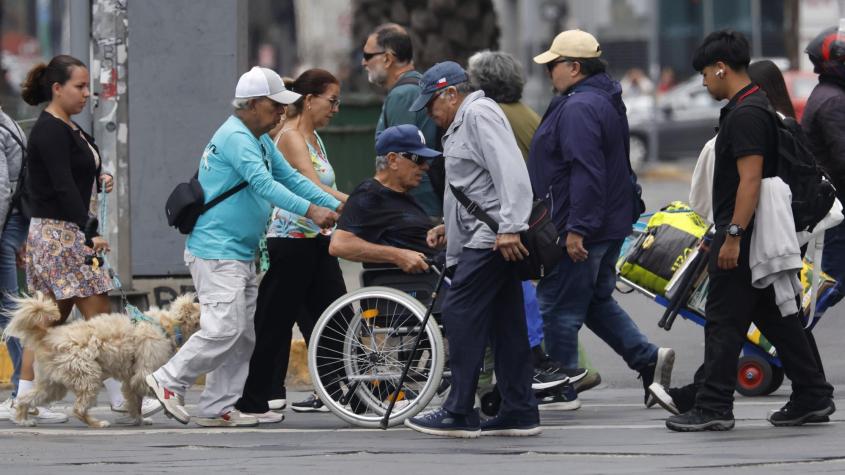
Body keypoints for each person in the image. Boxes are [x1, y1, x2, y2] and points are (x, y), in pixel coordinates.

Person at [145, 66, 341, 427]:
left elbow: (291, 178)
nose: (282, 112)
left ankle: (219, 406)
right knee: (224, 329)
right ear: (253, 104)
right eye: (275, 105)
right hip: (217, 251)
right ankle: (168, 380)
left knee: (242, 335)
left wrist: (334, 206)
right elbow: (265, 185)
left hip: (239, 251)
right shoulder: (236, 137)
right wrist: (313, 210)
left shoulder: (260, 137)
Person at [664, 30, 833, 431]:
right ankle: (812, 394)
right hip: (755, 232)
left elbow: (750, 179)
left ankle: (713, 407)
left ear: (721, 68)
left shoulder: (745, 114)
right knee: (776, 316)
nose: (704, 82)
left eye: (706, 73)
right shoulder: (752, 105)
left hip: (744, 233)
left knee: (723, 322)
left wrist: (734, 235)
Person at [529, 30, 675, 408]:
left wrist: (577, 229)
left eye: (553, 65)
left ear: (574, 67)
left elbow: (586, 171)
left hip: (583, 226)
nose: (549, 74)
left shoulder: (579, 106)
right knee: (594, 301)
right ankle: (647, 359)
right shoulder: (600, 98)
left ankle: (560, 386)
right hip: (606, 223)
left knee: (558, 307)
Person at [15, 55, 157, 424]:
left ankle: (26, 396)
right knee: (97, 314)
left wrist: (100, 178)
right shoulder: (49, 130)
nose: (86, 94)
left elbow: (76, 173)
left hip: (64, 232)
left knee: (51, 321)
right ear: (57, 88)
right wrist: (90, 232)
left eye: (87, 87)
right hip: (62, 235)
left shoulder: (70, 127)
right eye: (79, 86)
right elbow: (61, 186)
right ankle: (118, 397)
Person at [403, 61, 539, 438]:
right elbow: (472, 188)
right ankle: (519, 409)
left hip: (492, 238)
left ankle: (459, 410)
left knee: (460, 311)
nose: (432, 115)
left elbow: (510, 170)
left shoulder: (478, 114)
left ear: (451, 93)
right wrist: (450, 228)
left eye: (432, 105)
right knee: (505, 323)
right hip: (485, 235)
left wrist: (511, 226)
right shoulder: (464, 123)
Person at [466, 50, 594, 409]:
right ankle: (564, 371)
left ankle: (551, 374)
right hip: (537, 217)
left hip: (523, 221)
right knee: (562, 300)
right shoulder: (525, 113)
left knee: (542, 302)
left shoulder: (492, 116)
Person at [235, 69, 348, 417]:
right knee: (274, 323)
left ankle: (342, 389)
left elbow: (313, 187)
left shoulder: (315, 139)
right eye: (332, 101)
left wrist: (347, 208)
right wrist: (354, 205)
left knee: (334, 316)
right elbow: (302, 186)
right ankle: (262, 394)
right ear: (310, 100)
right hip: (290, 239)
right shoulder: (288, 138)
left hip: (317, 238)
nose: (336, 109)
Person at [0, 107, 67, 424]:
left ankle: (23, 395)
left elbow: (1, 190)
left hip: (3, 229)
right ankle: (25, 393)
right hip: (11, 227)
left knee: (11, 312)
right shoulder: (8, 122)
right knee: (11, 311)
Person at [362, 23, 442, 217]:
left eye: (367, 56)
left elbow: (400, 159)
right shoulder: (414, 87)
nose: (363, 63)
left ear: (387, 58)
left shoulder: (402, 94)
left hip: (418, 206)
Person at [802, 26, 845, 301]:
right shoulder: (833, 101)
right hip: (837, 205)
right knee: (830, 282)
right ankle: (790, 339)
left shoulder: (828, 93)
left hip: (832, 202)